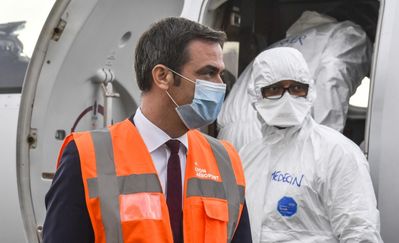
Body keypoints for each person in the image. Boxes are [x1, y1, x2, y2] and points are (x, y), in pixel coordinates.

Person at [43, 17, 252, 243]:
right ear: (162, 76)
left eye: (220, 73)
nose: (220, 84)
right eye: (208, 73)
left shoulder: (226, 161)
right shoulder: (87, 155)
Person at [240, 47, 382, 242]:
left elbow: (360, 232)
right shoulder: (248, 155)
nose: (287, 98)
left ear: (310, 91)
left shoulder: (336, 152)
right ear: (256, 94)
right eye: (275, 89)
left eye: (297, 88)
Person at [217, 11, 371, 150]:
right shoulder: (348, 36)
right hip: (270, 133)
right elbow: (331, 83)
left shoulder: (279, 45)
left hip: (228, 135)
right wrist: (327, 144)